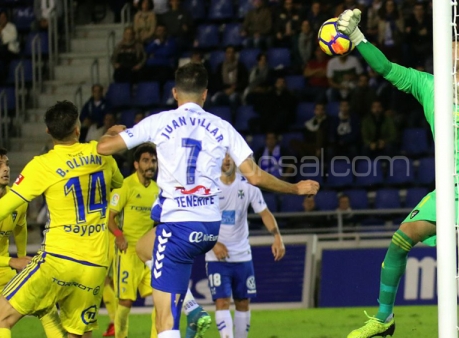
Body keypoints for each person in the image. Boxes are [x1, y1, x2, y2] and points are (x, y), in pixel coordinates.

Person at [96, 62, 319, 338]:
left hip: (178, 226)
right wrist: (296, 189)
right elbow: (256, 177)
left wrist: (111, 133)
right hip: (209, 228)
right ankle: (193, 308)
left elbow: (103, 149)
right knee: (143, 248)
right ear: (205, 95)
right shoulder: (223, 127)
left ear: (175, 93)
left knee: (165, 320)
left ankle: (189, 312)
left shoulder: (158, 122)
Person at [337, 9, 459, 338]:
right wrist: (358, 39)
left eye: (449, 49)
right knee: (400, 240)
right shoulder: (428, 85)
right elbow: (386, 69)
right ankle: (384, 318)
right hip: (450, 190)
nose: (441, 52)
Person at [0, 101, 124, 338]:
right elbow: (119, 185)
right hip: (94, 264)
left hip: (58, 260)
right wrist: (109, 135)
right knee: (78, 334)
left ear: (48, 131)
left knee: (0, 318)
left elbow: (4, 207)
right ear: (78, 129)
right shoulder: (101, 154)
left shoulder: (42, 165)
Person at [0, 148, 65, 338]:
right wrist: (11, 262)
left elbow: (20, 226)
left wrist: (21, 255)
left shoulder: (17, 200)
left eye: (7, 164)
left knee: (44, 302)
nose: (5, 169)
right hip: (3, 264)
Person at [207, 153, 285, 338]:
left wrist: (277, 236)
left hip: (242, 255)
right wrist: (214, 244)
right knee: (222, 301)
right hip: (216, 256)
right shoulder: (209, 188)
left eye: (229, 156)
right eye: (223, 156)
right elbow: (199, 222)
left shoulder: (248, 186)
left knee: (243, 303)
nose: (226, 160)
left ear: (236, 159)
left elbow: (264, 213)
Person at [107, 144, 158, 338]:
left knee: (159, 298)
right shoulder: (125, 186)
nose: (150, 165)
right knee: (126, 302)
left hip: (148, 255)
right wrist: (119, 237)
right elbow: (110, 219)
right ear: (136, 164)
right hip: (127, 253)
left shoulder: (157, 190)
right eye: (146, 160)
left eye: (153, 161)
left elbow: (156, 223)